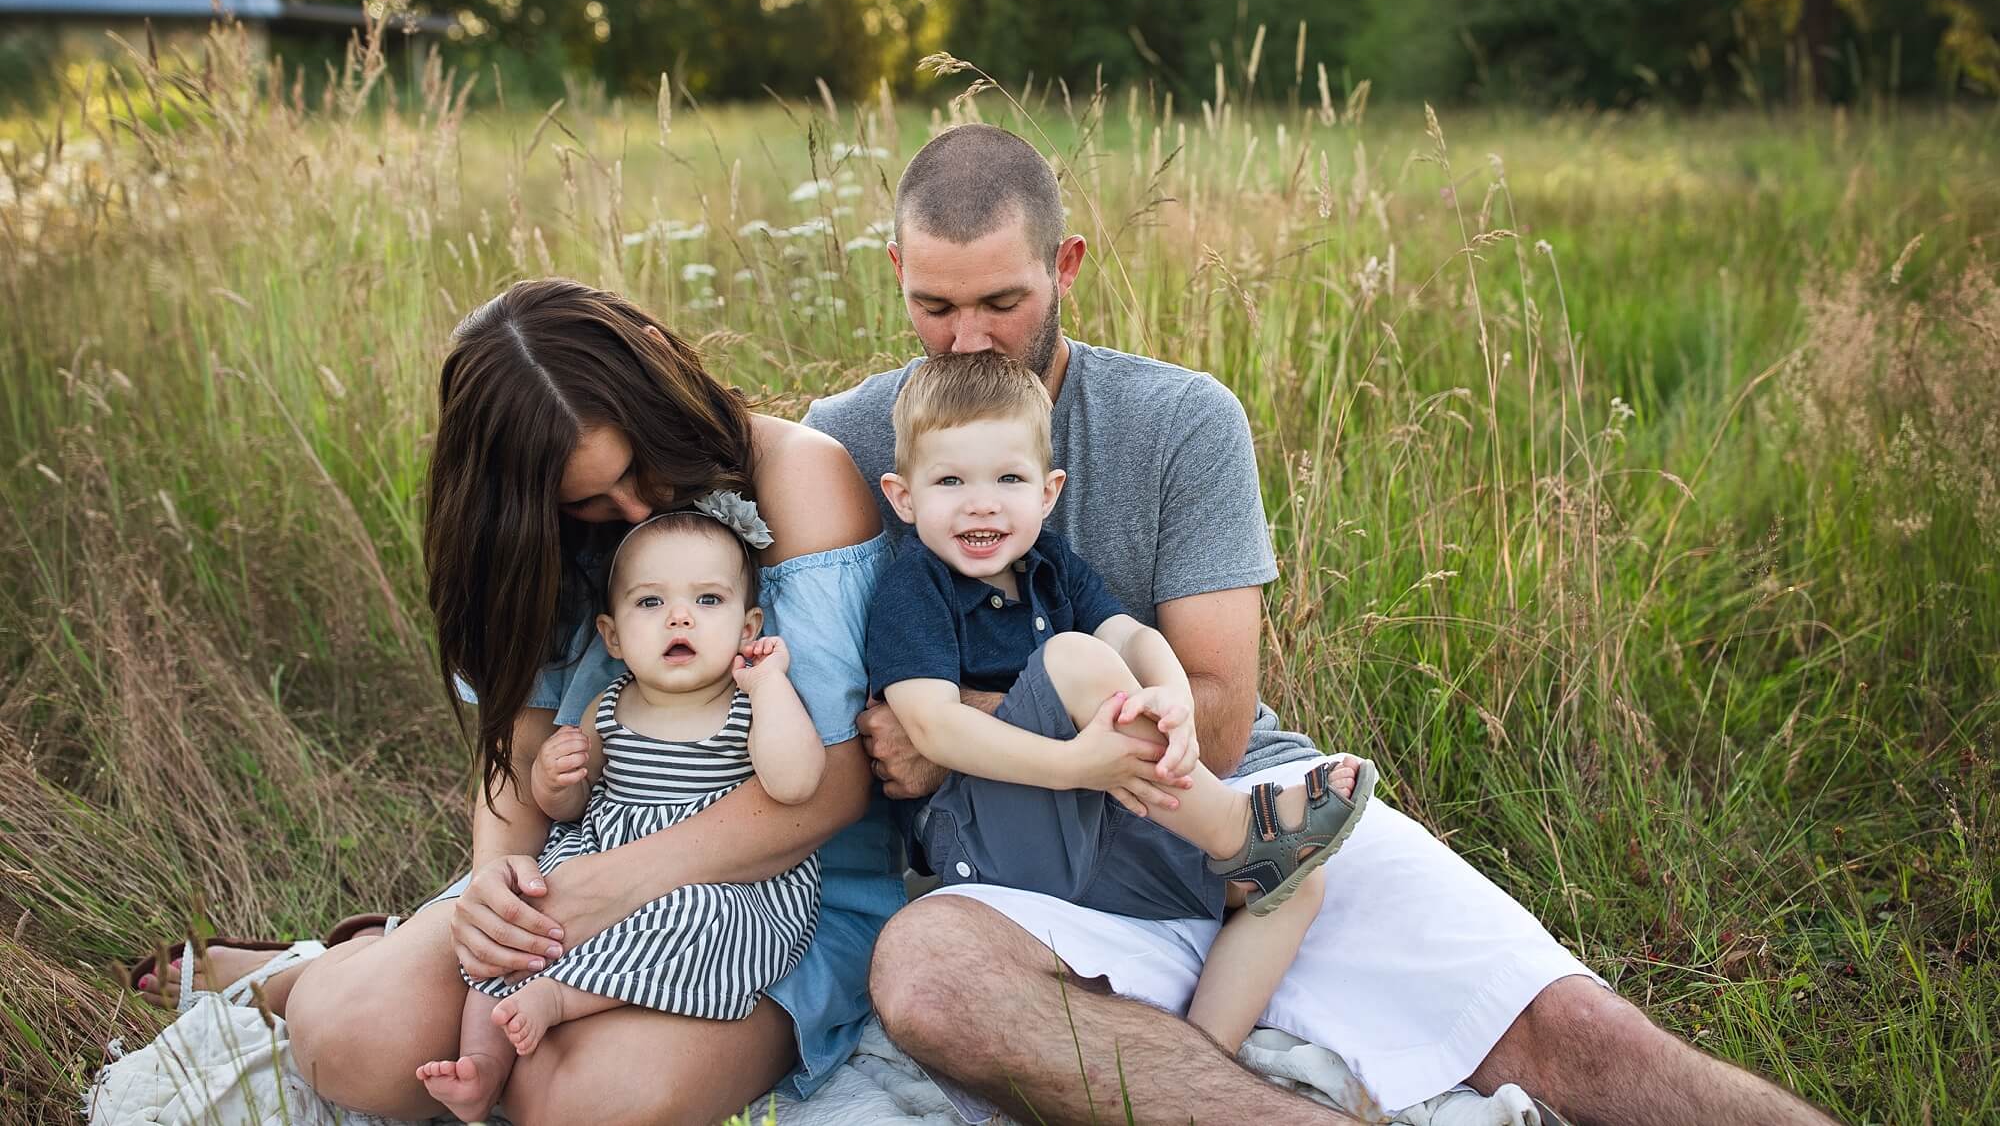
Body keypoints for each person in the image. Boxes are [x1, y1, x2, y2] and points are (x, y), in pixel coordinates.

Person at [805, 123, 1840, 1126]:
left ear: (1066, 262)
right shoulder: (845, 443)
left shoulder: (1178, 420)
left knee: (1578, 1034)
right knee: (927, 978)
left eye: (1001, 300)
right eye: (932, 305)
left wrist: (955, 723)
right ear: (894, 268)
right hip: (1024, 879)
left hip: (1235, 803)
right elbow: (844, 738)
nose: (969, 337)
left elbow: (1207, 720)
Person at [142, 278, 901, 1124]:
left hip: (773, 886)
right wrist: (500, 880)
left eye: (638, 468)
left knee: (581, 1100)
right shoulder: (543, 534)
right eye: (589, 502)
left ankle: (369, 950)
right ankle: (311, 969)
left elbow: (833, 786)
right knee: (356, 1045)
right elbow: (524, 738)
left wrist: (607, 887)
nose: (638, 509)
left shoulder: (798, 474)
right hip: (585, 851)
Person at [866, 348, 1375, 1053]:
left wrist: (1171, 699)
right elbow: (931, 725)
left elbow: (1132, 634)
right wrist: (1077, 764)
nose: (981, 501)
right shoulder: (914, 585)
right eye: (950, 479)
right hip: (978, 836)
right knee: (1074, 657)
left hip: (1086, 823)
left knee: (1292, 883)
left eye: (1008, 478)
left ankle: (1204, 1062)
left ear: (1047, 493)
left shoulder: (1051, 566)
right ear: (905, 496)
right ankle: (1233, 822)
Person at [419, 506, 828, 1121]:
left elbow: (796, 783)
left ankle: (558, 998)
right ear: (612, 636)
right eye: (649, 603)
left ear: (750, 627)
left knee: (688, 917)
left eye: (709, 600)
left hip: (720, 879)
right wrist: (553, 779)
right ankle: (484, 1062)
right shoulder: (608, 707)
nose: (680, 617)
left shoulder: (752, 705)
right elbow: (574, 807)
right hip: (605, 854)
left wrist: (769, 685)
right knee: (519, 920)